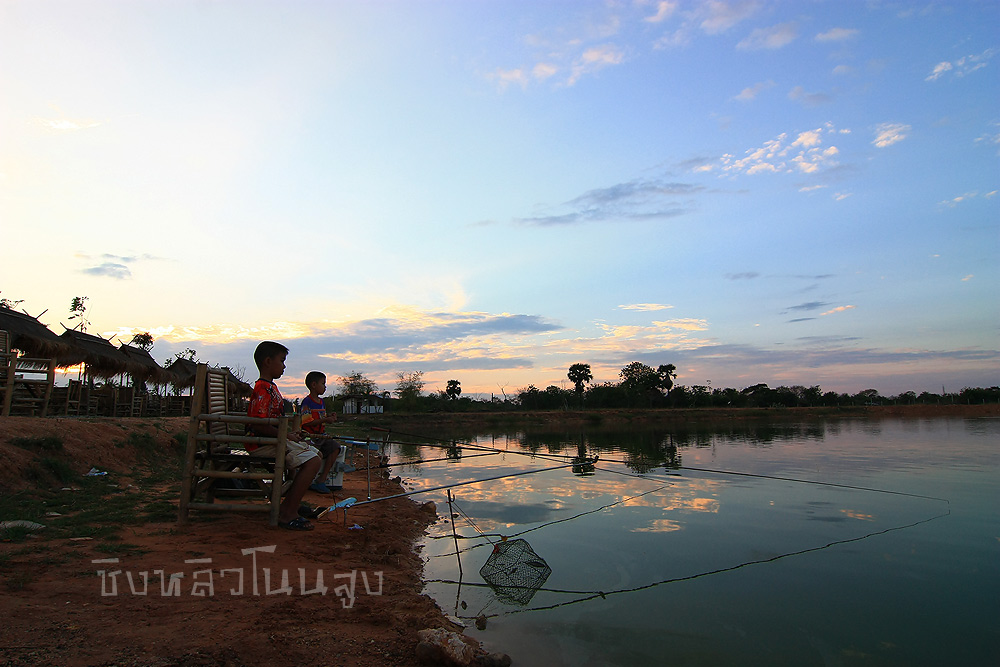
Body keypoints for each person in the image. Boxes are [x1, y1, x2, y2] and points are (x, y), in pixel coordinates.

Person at [247, 341, 322, 530]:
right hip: (261, 444)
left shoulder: (270, 387)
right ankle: (287, 513)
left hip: (273, 440)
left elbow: (272, 421)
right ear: (267, 361)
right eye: (282, 361)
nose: (284, 366)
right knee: (312, 461)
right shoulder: (262, 389)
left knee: (317, 455)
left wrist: (290, 433)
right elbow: (259, 424)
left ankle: (291, 503)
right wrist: (286, 436)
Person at [300, 371, 342, 494]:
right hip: (309, 437)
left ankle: (321, 480)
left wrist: (329, 416)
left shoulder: (322, 402)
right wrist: (325, 419)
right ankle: (307, 481)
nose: (325, 387)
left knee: (335, 448)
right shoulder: (306, 402)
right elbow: (306, 422)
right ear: (314, 385)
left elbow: (320, 417)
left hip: (322, 436)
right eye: (323, 384)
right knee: (313, 454)